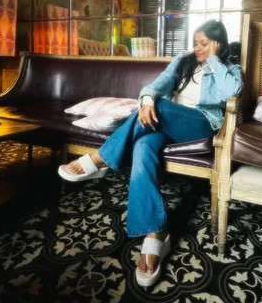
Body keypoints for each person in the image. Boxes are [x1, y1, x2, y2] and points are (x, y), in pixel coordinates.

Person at [58, 19, 243, 287]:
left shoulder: (229, 69)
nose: (198, 48)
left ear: (218, 44)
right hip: (166, 123)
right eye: (195, 43)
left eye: (204, 43)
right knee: (143, 146)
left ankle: (100, 158)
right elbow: (157, 84)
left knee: (162, 108)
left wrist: (214, 59)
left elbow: (232, 92)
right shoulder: (183, 61)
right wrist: (146, 101)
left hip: (200, 124)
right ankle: (155, 232)